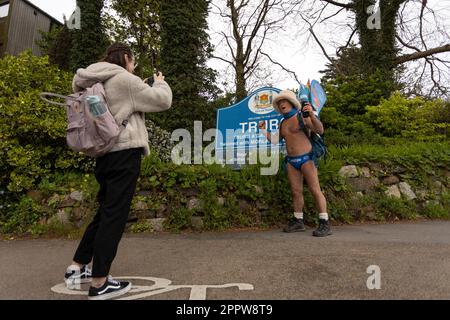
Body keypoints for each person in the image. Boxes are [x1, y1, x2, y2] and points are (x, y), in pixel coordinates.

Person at [64, 43, 173, 300]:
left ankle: (77, 267)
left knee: (104, 212)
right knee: (114, 216)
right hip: (124, 153)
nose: (133, 67)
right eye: (133, 62)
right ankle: (100, 282)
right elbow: (163, 101)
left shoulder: (89, 80)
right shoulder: (124, 79)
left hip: (102, 155)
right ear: (125, 58)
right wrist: (159, 82)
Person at [259, 90, 332, 237]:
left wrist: (311, 114)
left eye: (283, 101)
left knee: (315, 190)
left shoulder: (301, 117)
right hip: (291, 161)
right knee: (296, 192)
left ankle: (325, 222)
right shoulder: (283, 123)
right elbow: (274, 140)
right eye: (279, 103)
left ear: (291, 102)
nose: (281, 104)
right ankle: (298, 221)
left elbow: (319, 129)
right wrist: (262, 129)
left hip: (307, 158)